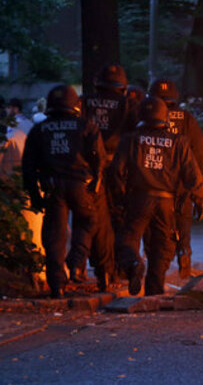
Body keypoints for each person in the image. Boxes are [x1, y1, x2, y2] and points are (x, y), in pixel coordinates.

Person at [109, 96, 203, 295]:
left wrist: (119, 198)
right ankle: (154, 290)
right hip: (166, 201)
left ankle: (134, 263)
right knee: (163, 247)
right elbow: (192, 173)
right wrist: (198, 198)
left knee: (128, 238)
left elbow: (117, 171)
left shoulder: (130, 139)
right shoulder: (178, 141)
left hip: (138, 199)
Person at [22, 85, 106, 298]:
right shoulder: (86, 125)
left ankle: (57, 285)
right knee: (89, 221)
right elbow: (99, 159)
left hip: (52, 187)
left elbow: (28, 167)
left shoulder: (39, 130)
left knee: (54, 235)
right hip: (80, 185)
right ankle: (76, 263)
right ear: (75, 104)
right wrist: (95, 184)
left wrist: (35, 196)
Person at [81, 63, 138, 288]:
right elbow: (136, 136)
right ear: (122, 87)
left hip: (88, 170)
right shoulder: (129, 104)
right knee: (121, 221)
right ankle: (122, 267)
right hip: (118, 170)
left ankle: (101, 269)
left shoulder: (84, 102)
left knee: (93, 220)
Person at [149, 78, 203, 278]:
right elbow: (199, 152)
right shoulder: (186, 118)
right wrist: (193, 181)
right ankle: (184, 257)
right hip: (182, 183)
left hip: (155, 182)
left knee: (155, 227)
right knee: (183, 223)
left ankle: (156, 266)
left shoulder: (146, 120)